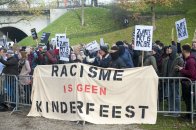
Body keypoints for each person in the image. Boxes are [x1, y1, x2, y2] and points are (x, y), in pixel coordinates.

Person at [162, 45, 184, 116]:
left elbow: (182, 70)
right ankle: (171, 110)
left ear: (174, 50)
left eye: (170, 48)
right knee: (170, 96)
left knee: (176, 96)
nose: (168, 49)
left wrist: (177, 77)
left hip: (175, 81)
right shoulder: (167, 59)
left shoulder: (179, 59)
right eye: (168, 48)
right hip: (168, 80)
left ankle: (177, 112)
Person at [177, 44, 196, 119]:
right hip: (187, 83)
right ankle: (188, 115)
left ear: (184, 51)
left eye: (182, 50)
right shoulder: (188, 60)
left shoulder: (190, 61)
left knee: (189, 100)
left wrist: (181, 70)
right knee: (187, 100)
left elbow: (191, 73)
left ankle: (190, 116)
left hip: (189, 84)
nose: (181, 51)